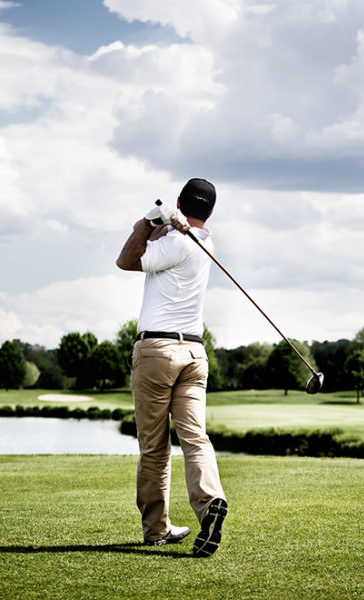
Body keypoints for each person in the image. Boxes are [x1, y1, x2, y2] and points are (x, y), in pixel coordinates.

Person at [116, 178, 228, 558]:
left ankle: (156, 529)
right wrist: (169, 223)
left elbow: (127, 260)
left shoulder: (176, 242)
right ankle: (210, 500)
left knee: (154, 446)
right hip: (194, 355)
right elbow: (172, 237)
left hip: (157, 350)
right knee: (195, 438)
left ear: (180, 201)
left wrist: (148, 221)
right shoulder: (205, 243)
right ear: (210, 212)